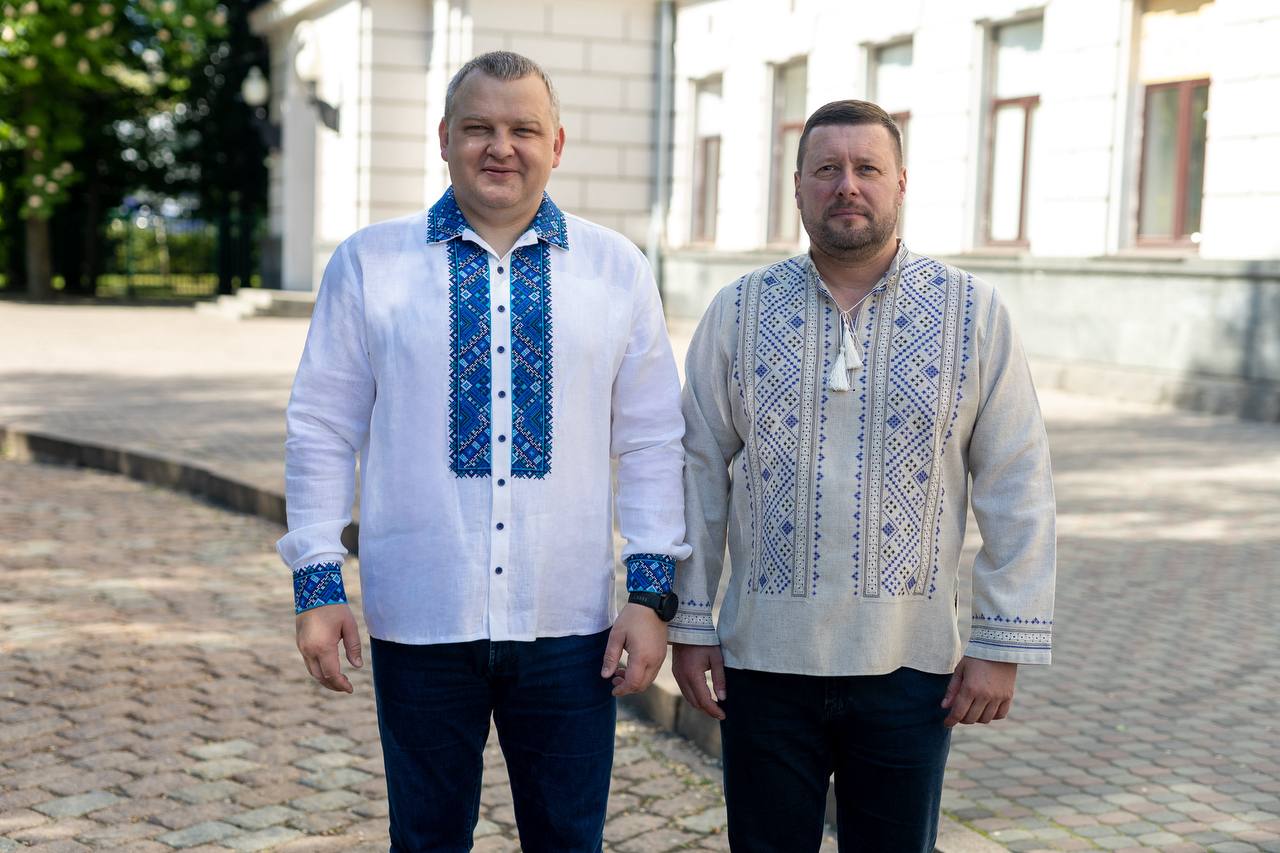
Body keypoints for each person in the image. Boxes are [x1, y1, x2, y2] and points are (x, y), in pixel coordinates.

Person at [280, 51, 689, 853]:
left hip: (568, 623)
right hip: (422, 615)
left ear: (557, 144)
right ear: (444, 139)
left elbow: (651, 440)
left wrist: (650, 595)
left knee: (567, 840)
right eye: (479, 128)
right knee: (426, 839)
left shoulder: (615, 269)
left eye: (523, 129)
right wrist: (316, 584)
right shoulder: (370, 264)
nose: (501, 147)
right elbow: (321, 426)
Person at [668, 99, 1057, 853]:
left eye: (867, 168)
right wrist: (689, 623)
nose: (847, 184)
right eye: (827, 168)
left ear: (900, 181)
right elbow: (697, 470)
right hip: (764, 662)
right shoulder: (739, 310)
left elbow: (1019, 481)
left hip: (910, 669)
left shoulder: (972, 313)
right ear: (798, 186)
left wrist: (1000, 642)